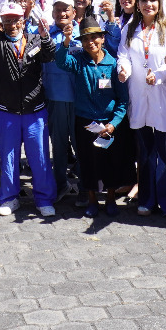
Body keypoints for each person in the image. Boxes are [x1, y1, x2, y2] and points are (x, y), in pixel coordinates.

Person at [0, 0, 59, 217]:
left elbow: (50, 55)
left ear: (23, 20)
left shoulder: (35, 39)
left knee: (39, 157)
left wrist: (45, 36)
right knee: (8, 158)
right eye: (7, 20)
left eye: (16, 19)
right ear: (1, 22)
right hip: (6, 112)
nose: (12, 24)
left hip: (34, 112)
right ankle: (9, 198)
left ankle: (43, 199)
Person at [53, 14, 127, 217]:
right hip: (85, 122)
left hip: (109, 123)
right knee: (87, 162)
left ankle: (111, 199)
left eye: (94, 38)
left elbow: (122, 101)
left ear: (103, 38)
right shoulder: (79, 61)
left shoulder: (113, 65)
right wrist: (67, 41)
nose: (90, 42)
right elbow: (61, 61)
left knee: (111, 162)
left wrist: (113, 124)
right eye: (85, 39)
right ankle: (92, 200)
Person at [118, 0, 166, 217]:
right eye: (144, 0)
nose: (148, 5)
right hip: (139, 94)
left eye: (153, 0)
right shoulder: (130, 28)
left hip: (161, 94)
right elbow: (123, 55)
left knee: (163, 150)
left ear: (159, 3)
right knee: (144, 151)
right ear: (138, 3)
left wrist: (160, 74)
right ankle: (147, 199)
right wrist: (123, 69)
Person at [42, 0, 80, 200]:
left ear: (73, 12)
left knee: (81, 144)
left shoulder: (83, 33)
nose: (62, 13)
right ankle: (60, 184)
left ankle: (85, 186)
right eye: (57, 9)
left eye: (66, 9)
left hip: (79, 100)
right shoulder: (44, 33)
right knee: (58, 146)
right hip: (55, 98)